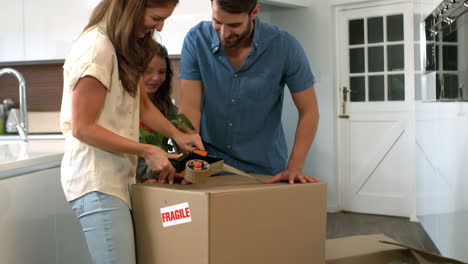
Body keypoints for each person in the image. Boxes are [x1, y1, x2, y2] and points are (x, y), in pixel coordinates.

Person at [59, 0, 204, 263]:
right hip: (96, 181)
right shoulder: (96, 49)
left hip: (115, 180)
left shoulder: (118, 46)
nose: (159, 27)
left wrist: (177, 135)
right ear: (132, 7)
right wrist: (148, 150)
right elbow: (83, 128)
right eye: (156, 18)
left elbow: (140, 103)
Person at [178, 0, 319, 184]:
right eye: (217, 22)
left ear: (254, 12)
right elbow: (190, 108)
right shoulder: (196, 39)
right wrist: (190, 161)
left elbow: (309, 111)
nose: (224, 33)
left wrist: (294, 166)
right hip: (207, 165)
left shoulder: (285, 45)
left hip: (265, 169)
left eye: (234, 25)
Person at [136, 42, 179, 183]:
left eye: (162, 72)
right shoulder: (122, 110)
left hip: (162, 184)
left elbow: (177, 150)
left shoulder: (168, 108)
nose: (156, 78)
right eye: (147, 71)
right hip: (131, 187)